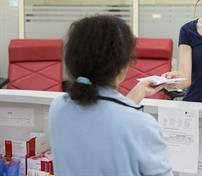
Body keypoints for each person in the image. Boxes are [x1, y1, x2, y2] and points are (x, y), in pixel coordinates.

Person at [49, 15, 173, 176]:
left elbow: (106, 119)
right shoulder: (143, 125)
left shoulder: (59, 107)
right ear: (124, 62)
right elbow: (116, 121)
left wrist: (138, 92)